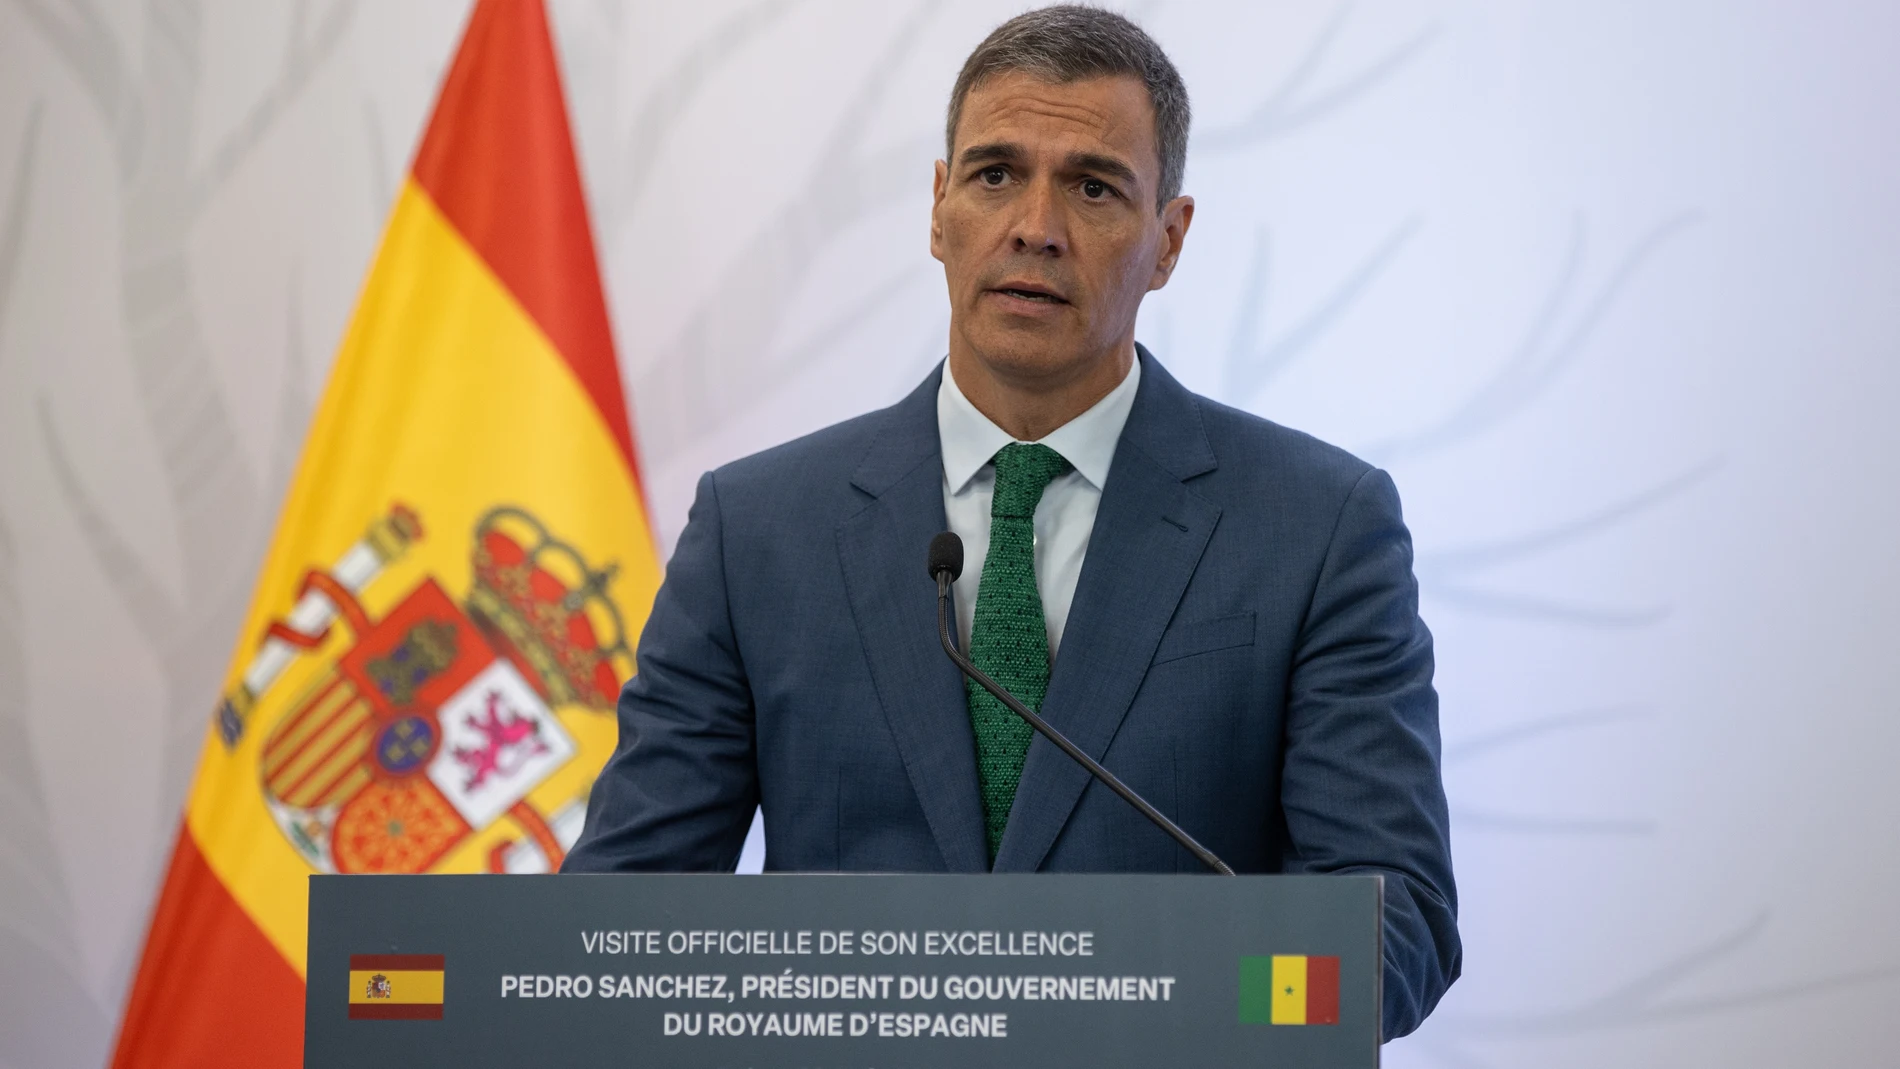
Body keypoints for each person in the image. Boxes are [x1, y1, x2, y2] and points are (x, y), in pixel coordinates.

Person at [564, 5, 1459, 1038]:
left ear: (1168, 241)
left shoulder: (1318, 526)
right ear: (937, 208)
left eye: (1093, 186)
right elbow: (614, 922)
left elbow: (1395, 927)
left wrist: (1126, 998)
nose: (1036, 225)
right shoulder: (757, 529)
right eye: (995, 175)